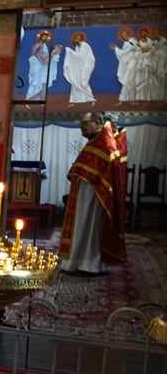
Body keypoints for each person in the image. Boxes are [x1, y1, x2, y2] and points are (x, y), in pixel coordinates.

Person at [59, 111, 126, 275]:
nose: (81, 127)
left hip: (95, 196)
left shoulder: (103, 141)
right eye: (81, 124)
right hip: (86, 194)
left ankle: (89, 263)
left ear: (97, 123)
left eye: (85, 123)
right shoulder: (96, 141)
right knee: (82, 226)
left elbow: (103, 171)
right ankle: (79, 261)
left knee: (90, 227)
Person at [25, 30, 60, 101]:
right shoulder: (37, 46)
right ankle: (30, 98)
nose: (45, 38)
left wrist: (54, 53)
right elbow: (41, 57)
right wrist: (53, 54)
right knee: (35, 82)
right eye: (43, 37)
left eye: (46, 37)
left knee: (43, 83)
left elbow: (45, 57)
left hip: (42, 67)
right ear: (40, 37)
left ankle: (40, 98)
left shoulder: (44, 46)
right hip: (36, 66)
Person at [63, 31, 96, 106]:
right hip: (78, 67)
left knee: (83, 82)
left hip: (85, 66)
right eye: (76, 38)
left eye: (78, 38)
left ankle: (91, 99)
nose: (77, 39)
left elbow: (81, 56)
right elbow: (77, 58)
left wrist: (69, 51)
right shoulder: (77, 47)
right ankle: (73, 101)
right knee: (75, 82)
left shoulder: (85, 45)